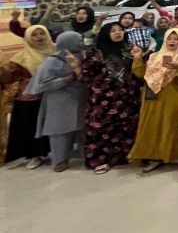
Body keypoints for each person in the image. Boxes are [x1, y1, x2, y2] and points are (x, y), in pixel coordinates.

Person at [128, 28, 178, 173]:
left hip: (172, 95)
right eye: (169, 38)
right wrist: (137, 58)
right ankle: (156, 156)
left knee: (171, 126)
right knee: (151, 126)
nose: (172, 41)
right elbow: (141, 74)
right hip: (151, 95)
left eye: (175, 38)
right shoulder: (154, 56)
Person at [81, 22, 142, 174]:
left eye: (120, 30)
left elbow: (138, 70)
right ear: (105, 33)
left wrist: (138, 57)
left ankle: (123, 156)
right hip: (104, 96)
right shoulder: (96, 51)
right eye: (113, 31)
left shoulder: (129, 48)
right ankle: (101, 159)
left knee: (126, 126)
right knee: (101, 127)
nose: (117, 33)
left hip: (127, 94)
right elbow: (87, 72)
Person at [27, 32, 86, 172]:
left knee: (83, 128)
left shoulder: (83, 56)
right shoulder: (51, 62)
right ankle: (60, 160)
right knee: (60, 131)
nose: (81, 43)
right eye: (78, 41)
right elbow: (40, 84)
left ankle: (85, 155)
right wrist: (65, 79)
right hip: (59, 101)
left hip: (81, 97)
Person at [1, 24, 54, 167]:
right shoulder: (22, 56)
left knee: (51, 125)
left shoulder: (55, 51)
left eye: (41, 33)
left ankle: (55, 151)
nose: (39, 37)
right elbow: (7, 77)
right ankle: (34, 155)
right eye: (34, 35)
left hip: (53, 95)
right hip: (30, 98)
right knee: (31, 126)